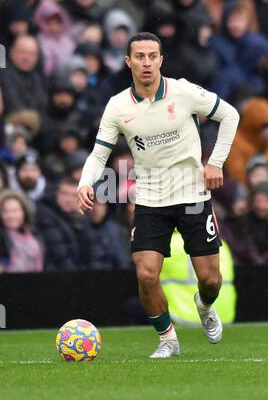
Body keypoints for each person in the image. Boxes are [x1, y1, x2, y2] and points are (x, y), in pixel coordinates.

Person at [77, 32, 240, 358]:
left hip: (192, 194)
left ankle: (205, 307)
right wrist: (86, 183)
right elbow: (99, 155)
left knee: (210, 279)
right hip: (150, 199)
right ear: (128, 62)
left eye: (153, 55)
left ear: (161, 60)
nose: (147, 62)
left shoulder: (184, 92)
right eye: (140, 56)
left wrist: (216, 163)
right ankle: (168, 340)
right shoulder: (118, 106)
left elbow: (230, 115)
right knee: (147, 273)